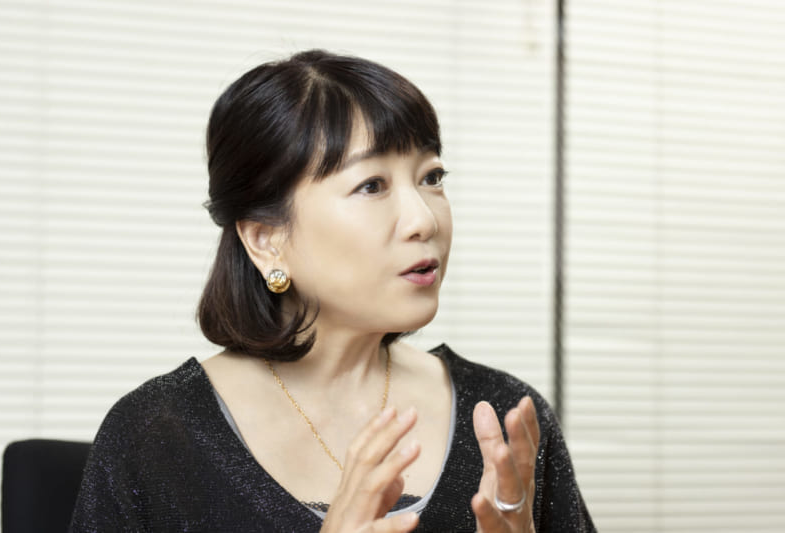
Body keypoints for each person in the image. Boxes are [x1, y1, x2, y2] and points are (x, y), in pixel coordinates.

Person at [70, 49, 595, 532]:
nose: (423, 219)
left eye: (431, 177)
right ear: (266, 239)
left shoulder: (506, 421)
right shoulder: (156, 438)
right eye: (372, 185)